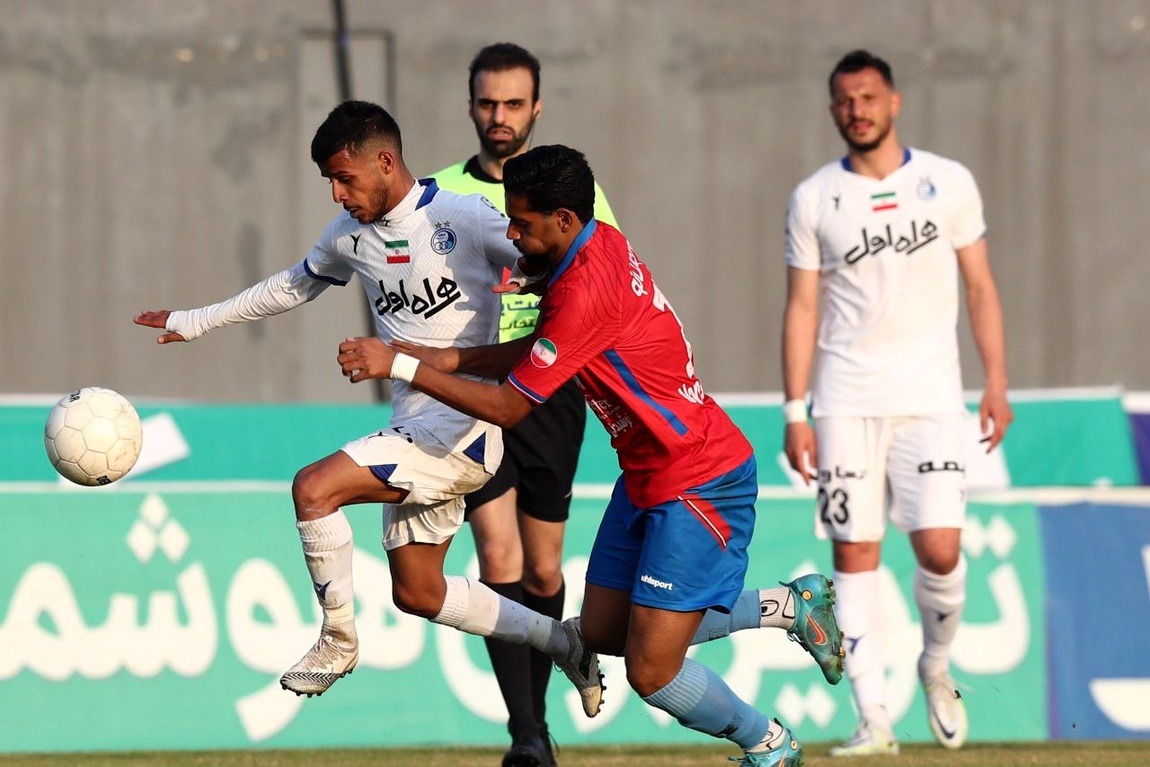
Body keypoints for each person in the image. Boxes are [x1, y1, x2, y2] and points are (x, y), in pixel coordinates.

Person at [334, 144, 844, 767]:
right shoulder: (593, 244)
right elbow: (546, 346)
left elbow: (509, 407)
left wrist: (403, 365)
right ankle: (789, 606)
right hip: (648, 474)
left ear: (564, 219)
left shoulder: (582, 289)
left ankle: (769, 744)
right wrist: (449, 357)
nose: (512, 236)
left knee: (652, 672)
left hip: (700, 480)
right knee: (601, 632)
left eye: (521, 223)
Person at [132, 101, 607, 710]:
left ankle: (337, 639)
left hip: (463, 432)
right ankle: (563, 641)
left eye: (344, 178)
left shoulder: (464, 218)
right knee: (418, 592)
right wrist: (196, 320)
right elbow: (291, 285)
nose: (337, 194)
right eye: (329, 181)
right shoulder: (349, 235)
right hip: (412, 427)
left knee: (314, 489)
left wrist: (533, 291)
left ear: (385, 162)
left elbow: (550, 260)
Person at [780, 50, 1013, 756]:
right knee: (854, 553)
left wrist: (996, 381)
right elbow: (801, 307)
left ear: (894, 102)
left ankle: (935, 666)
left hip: (931, 398)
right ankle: (873, 717)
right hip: (844, 401)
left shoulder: (948, 181)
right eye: (846, 100)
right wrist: (795, 411)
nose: (858, 110)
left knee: (940, 549)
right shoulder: (815, 196)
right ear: (833, 110)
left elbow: (981, 286)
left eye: (869, 97)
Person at [430, 42, 618, 767]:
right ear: (470, 106)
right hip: (476, 394)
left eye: (513, 103)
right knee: (497, 552)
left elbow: (603, 280)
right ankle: (527, 733)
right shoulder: (440, 193)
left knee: (542, 569)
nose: (499, 116)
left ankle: (537, 717)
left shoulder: (576, 194)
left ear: (536, 107)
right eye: (487, 103)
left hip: (551, 391)